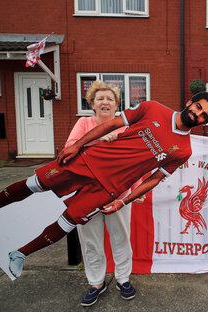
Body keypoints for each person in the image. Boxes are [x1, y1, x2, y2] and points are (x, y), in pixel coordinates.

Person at [0, 90, 208, 283]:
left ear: (204, 123)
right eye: (198, 107)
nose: (197, 114)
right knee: (33, 184)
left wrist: (122, 201)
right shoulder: (153, 108)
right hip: (87, 161)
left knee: (67, 222)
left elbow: (154, 179)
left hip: (109, 188)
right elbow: (111, 124)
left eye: (203, 116)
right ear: (190, 102)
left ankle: (21, 254)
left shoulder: (183, 150)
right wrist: (77, 144)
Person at [68, 81, 142, 306]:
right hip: (86, 192)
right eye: (100, 99)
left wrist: (138, 188)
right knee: (90, 240)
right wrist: (98, 140)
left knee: (121, 237)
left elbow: (135, 160)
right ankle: (96, 283)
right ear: (92, 104)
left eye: (110, 99)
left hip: (118, 192)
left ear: (117, 104)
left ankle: (123, 279)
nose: (105, 102)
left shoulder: (124, 128)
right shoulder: (84, 123)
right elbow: (70, 150)